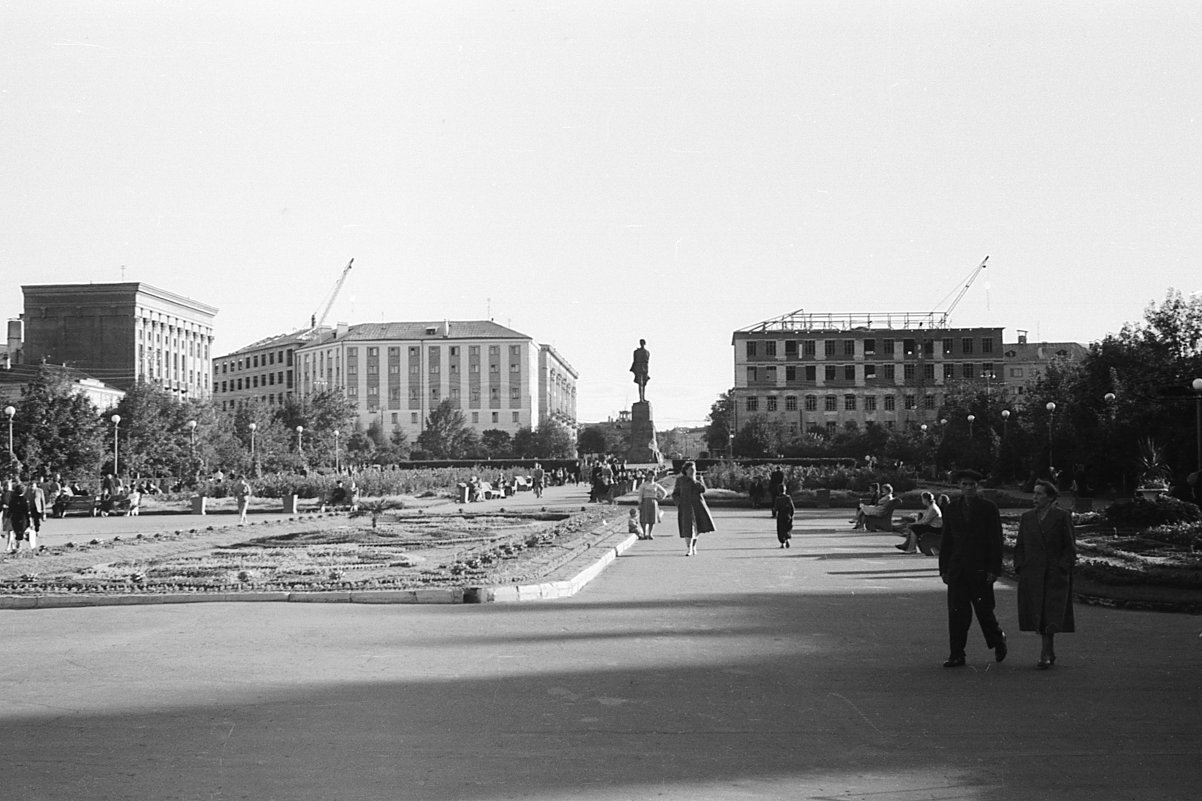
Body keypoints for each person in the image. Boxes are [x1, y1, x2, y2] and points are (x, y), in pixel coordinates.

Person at [938, 469, 1007, 668]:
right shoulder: (951, 508)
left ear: (978, 486)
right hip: (958, 568)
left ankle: (998, 639)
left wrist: (994, 569)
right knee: (957, 612)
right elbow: (947, 541)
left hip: (980, 568)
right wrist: (944, 569)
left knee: (984, 610)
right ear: (959, 486)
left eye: (972, 484)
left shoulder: (988, 508)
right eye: (964, 484)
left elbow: (996, 540)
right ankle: (957, 654)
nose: (968, 488)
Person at [1014, 480, 1076, 669]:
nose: (1035, 498)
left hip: (1053, 574)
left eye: (1039, 494)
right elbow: (1020, 546)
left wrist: (1062, 568)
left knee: (1050, 613)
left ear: (1050, 497)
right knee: (1038, 613)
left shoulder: (1061, 517)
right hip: (1032, 573)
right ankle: (1049, 650)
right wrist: (1020, 566)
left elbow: (1070, 547)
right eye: (1034, 494)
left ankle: (1045, 652)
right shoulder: (1027, 518)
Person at [672, 461, 715, 556]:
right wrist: (679, 503)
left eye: (694, 470)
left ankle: (693, 546)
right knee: (687, 527)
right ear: (686, 470)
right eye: (691, 469)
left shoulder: (698, 479)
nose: (693, 471)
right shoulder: (680, 480)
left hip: (697, 507)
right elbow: (675, 493)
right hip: (685, 507)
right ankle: (689, 548)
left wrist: (694, 480)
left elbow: (703, 490)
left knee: (697, 527)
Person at [637, 472, 668, 540]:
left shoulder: (656, 485)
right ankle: (644, 533)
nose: (651, 477)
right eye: (649, 476)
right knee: (643, 519)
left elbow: (664, 492)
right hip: (645, 502)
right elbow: (640, 495)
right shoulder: (643, 485)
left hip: (653, 502)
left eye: (652, 476)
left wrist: (660, 498)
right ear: (647, 476)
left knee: (652, 519)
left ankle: (650, 533)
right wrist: (640, 503)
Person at [6, 482, 32, 554]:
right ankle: (19, 546)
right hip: (22, 518)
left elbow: (10, 510)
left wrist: (7, 518)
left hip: (15, 518)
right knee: (20, 531)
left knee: (17, 531)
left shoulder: (13, 500)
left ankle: (18, 545)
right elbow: (27, 511)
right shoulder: (25, 500)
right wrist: (30, 519)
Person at [24, 479, 46, 548]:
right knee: (29, 520)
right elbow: (25, 498)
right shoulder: (27, 491)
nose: (32, 487)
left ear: (36, 486)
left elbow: (42, 500)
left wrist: (43, 510)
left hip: (37, 508)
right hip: (30, 508)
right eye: (31, 486)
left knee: (37, 520)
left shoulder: (39, 491)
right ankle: (29, 532)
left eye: (33, 486)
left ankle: (37, 530)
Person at [630, 339, 651, 403]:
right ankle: (641, 399)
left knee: (644, 384)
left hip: (645, 369)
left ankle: (643, 398)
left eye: (642, 343)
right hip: (639, 369)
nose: (641, 344)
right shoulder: (636, 352)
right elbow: (635, 360)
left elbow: (647, 362)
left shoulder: (647, 352)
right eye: (640, 343)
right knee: (640, 384)